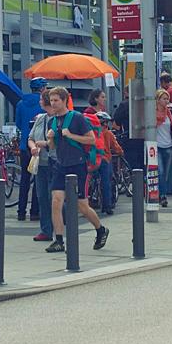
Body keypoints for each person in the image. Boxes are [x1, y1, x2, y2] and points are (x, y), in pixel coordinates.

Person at [45, 87, 108, 253]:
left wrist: (70, 135)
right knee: (56, 201)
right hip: (60, 164)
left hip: (78, 165)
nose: (53, 103)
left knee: (82, 205)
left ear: (65, 100)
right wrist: (49, 138)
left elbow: (91, 140)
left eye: (56, 100)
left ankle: (100, 229)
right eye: (51, 100)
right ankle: (58, 240)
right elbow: (52, 146)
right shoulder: (53, 121)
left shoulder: (77, 118)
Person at [14, 77, 48, 221]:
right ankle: (35, 211)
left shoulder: (21, 103)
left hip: (24, 146)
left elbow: (18, 124)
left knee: (25, 179)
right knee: (38, 179)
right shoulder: (43, 104)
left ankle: (21, 211)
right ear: (41, 89)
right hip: (38, 145)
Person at [27, 91, 56, 241]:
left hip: (55, 163)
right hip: (41, 163)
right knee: (42, 197)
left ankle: (60, 227)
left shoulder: (60, 119)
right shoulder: (40, 119)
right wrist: (33, 147)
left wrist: (45, 144)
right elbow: (31, 137)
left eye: (41, 99)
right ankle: (46, 230)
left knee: (55, 197)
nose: (39, 101)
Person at [153, 89, 172, 207]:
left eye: (167, 98)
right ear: (157, 100)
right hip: (157, 146)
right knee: (160, 172)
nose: (166, 101)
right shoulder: (152, 114)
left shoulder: (170, 113)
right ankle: (162, 196)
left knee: (165, 174)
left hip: (168, 145)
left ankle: (161, 193)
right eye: (164, 98)